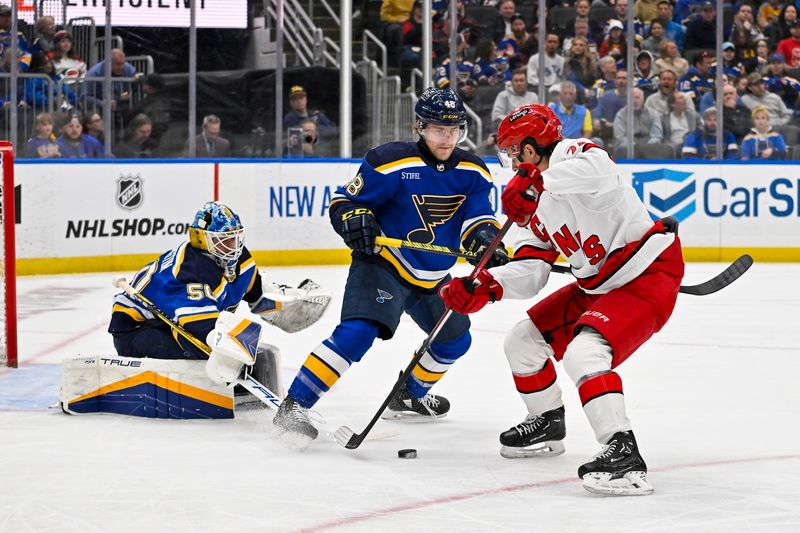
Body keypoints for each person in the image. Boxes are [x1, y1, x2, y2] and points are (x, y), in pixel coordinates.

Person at [440, 104, 684, 496]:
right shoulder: (533, 202)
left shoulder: (575, 155)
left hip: (646, 275)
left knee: (584, 354)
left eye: (515, 152)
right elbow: (532, 271)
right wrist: (484, 285)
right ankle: (548, 421)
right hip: (598, 285)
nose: (513, 162)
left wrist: (538, 181)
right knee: (522, 341)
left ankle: (622, 452)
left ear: (533, 148)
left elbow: (599, 169)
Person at [272, 87, 508, 446]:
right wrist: (355, 217)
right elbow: (344, 202)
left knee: (455, 339)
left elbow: (478, 219)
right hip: (384, 265)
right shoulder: (389, 161)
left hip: (433, 276)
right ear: (419, 127)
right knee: (358, 333)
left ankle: (410, 393)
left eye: (455, 129)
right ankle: (294, 405)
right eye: (438, 129)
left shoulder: (474, 172)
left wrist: (486, 241)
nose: (447, 138)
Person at [108, 201, 327, 397]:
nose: (232, 247)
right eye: (223, 241)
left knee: (241, 346)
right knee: (205, 348)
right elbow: (201, 328)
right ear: (201, 240)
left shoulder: (239, 259)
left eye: (234, 239)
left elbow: (258, 294)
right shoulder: (191, 268)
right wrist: (227, 357)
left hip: (173, 323)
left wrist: (290, 305)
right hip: (136, 330)